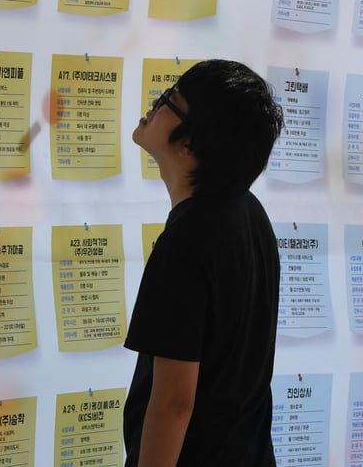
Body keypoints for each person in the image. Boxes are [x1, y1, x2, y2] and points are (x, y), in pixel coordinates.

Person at [124, 59, 285, 466]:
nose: (154, 106)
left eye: (168, 101)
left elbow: (174, 402)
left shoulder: (187, 242)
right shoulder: (250, 212)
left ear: (190, 143)